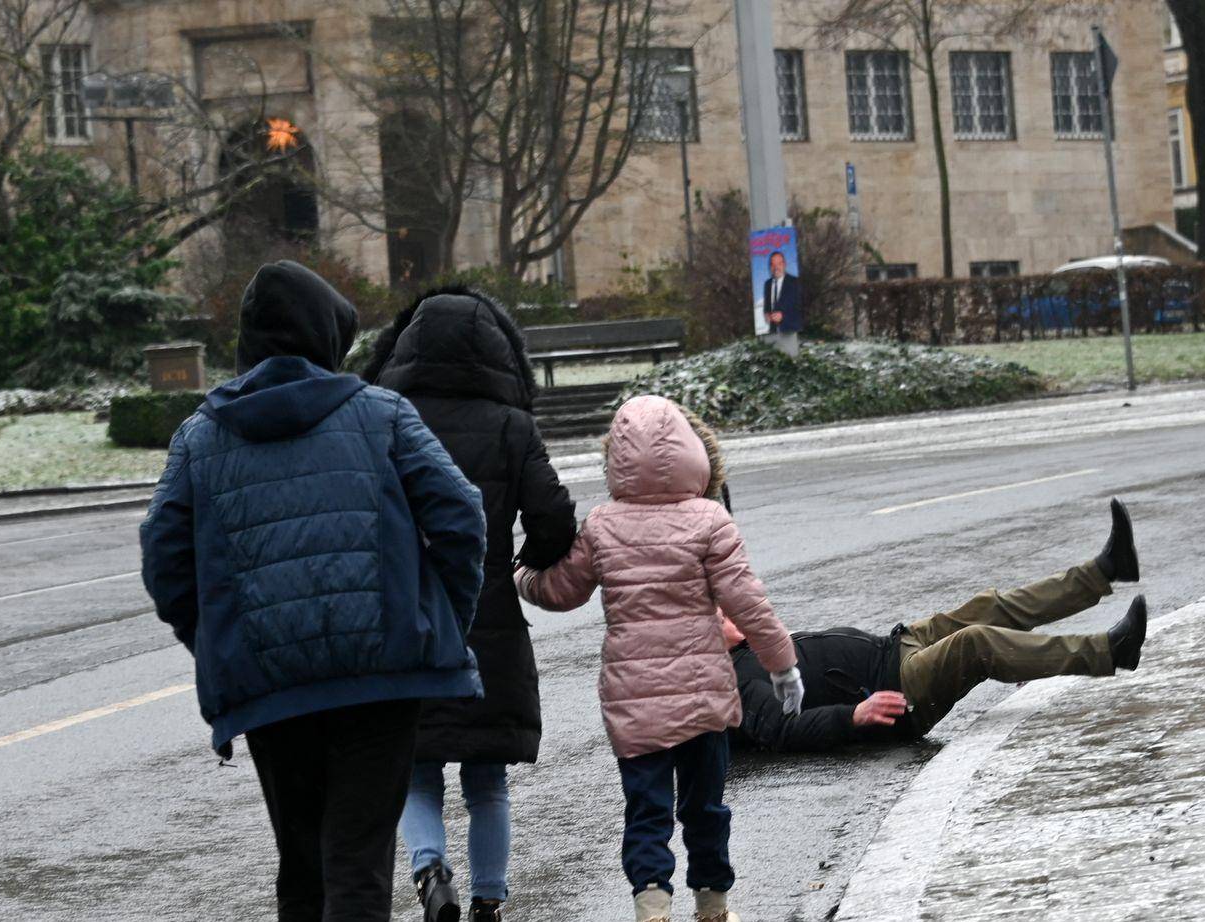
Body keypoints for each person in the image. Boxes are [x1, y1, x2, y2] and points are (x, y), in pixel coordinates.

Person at [139, 261, 488, 922]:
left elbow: (164, 559)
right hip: (380, 680)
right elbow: (461, 517)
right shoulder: (380, 414)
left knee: (301, 867)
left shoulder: (200, 437)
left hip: (271, 685)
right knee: (357, 861)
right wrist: (439, 619)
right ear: (326, 339)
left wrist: (226, 639)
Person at [516, 396, 802, 922]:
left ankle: (652, 904)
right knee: (705, 806)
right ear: (696, 453)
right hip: (703, 694)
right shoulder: (711, 521)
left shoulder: (603, 525)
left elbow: (563, 590)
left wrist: (523, 579)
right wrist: (781, 663)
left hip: (633, 698)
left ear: (617, 459)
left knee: (646, 808)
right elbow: (747, 601)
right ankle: (713, 903)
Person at [361, 288, 577, 922]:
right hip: (490, 626)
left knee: (416, 767)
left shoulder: (386, 419)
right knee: (487, 779)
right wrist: (523, 562)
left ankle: (430, 869)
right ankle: (488, 903)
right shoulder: (512, 427)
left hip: (406, 619)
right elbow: (555, 519)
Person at [727, 500, 1149, 753]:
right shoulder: (736, 682)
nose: (728, 613)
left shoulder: (754, 650)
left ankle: (1106, 570)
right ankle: (1110, 651)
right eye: (719, 616)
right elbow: (781, 731)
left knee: (990, 608)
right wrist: (853, 716)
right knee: (977, 643)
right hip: (898, 693)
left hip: (897, 645)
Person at [760, 251, 803, 357]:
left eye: (779, 264)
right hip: (771, 331)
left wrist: (783, 316)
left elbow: (800, 308)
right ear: (770, 267)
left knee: (790, 361)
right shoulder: (767, 284)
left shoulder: (795, 282)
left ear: (784, 265)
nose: (776, 268)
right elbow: (767, 305)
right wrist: (766, 313)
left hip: (789, 330)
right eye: (773, 265)